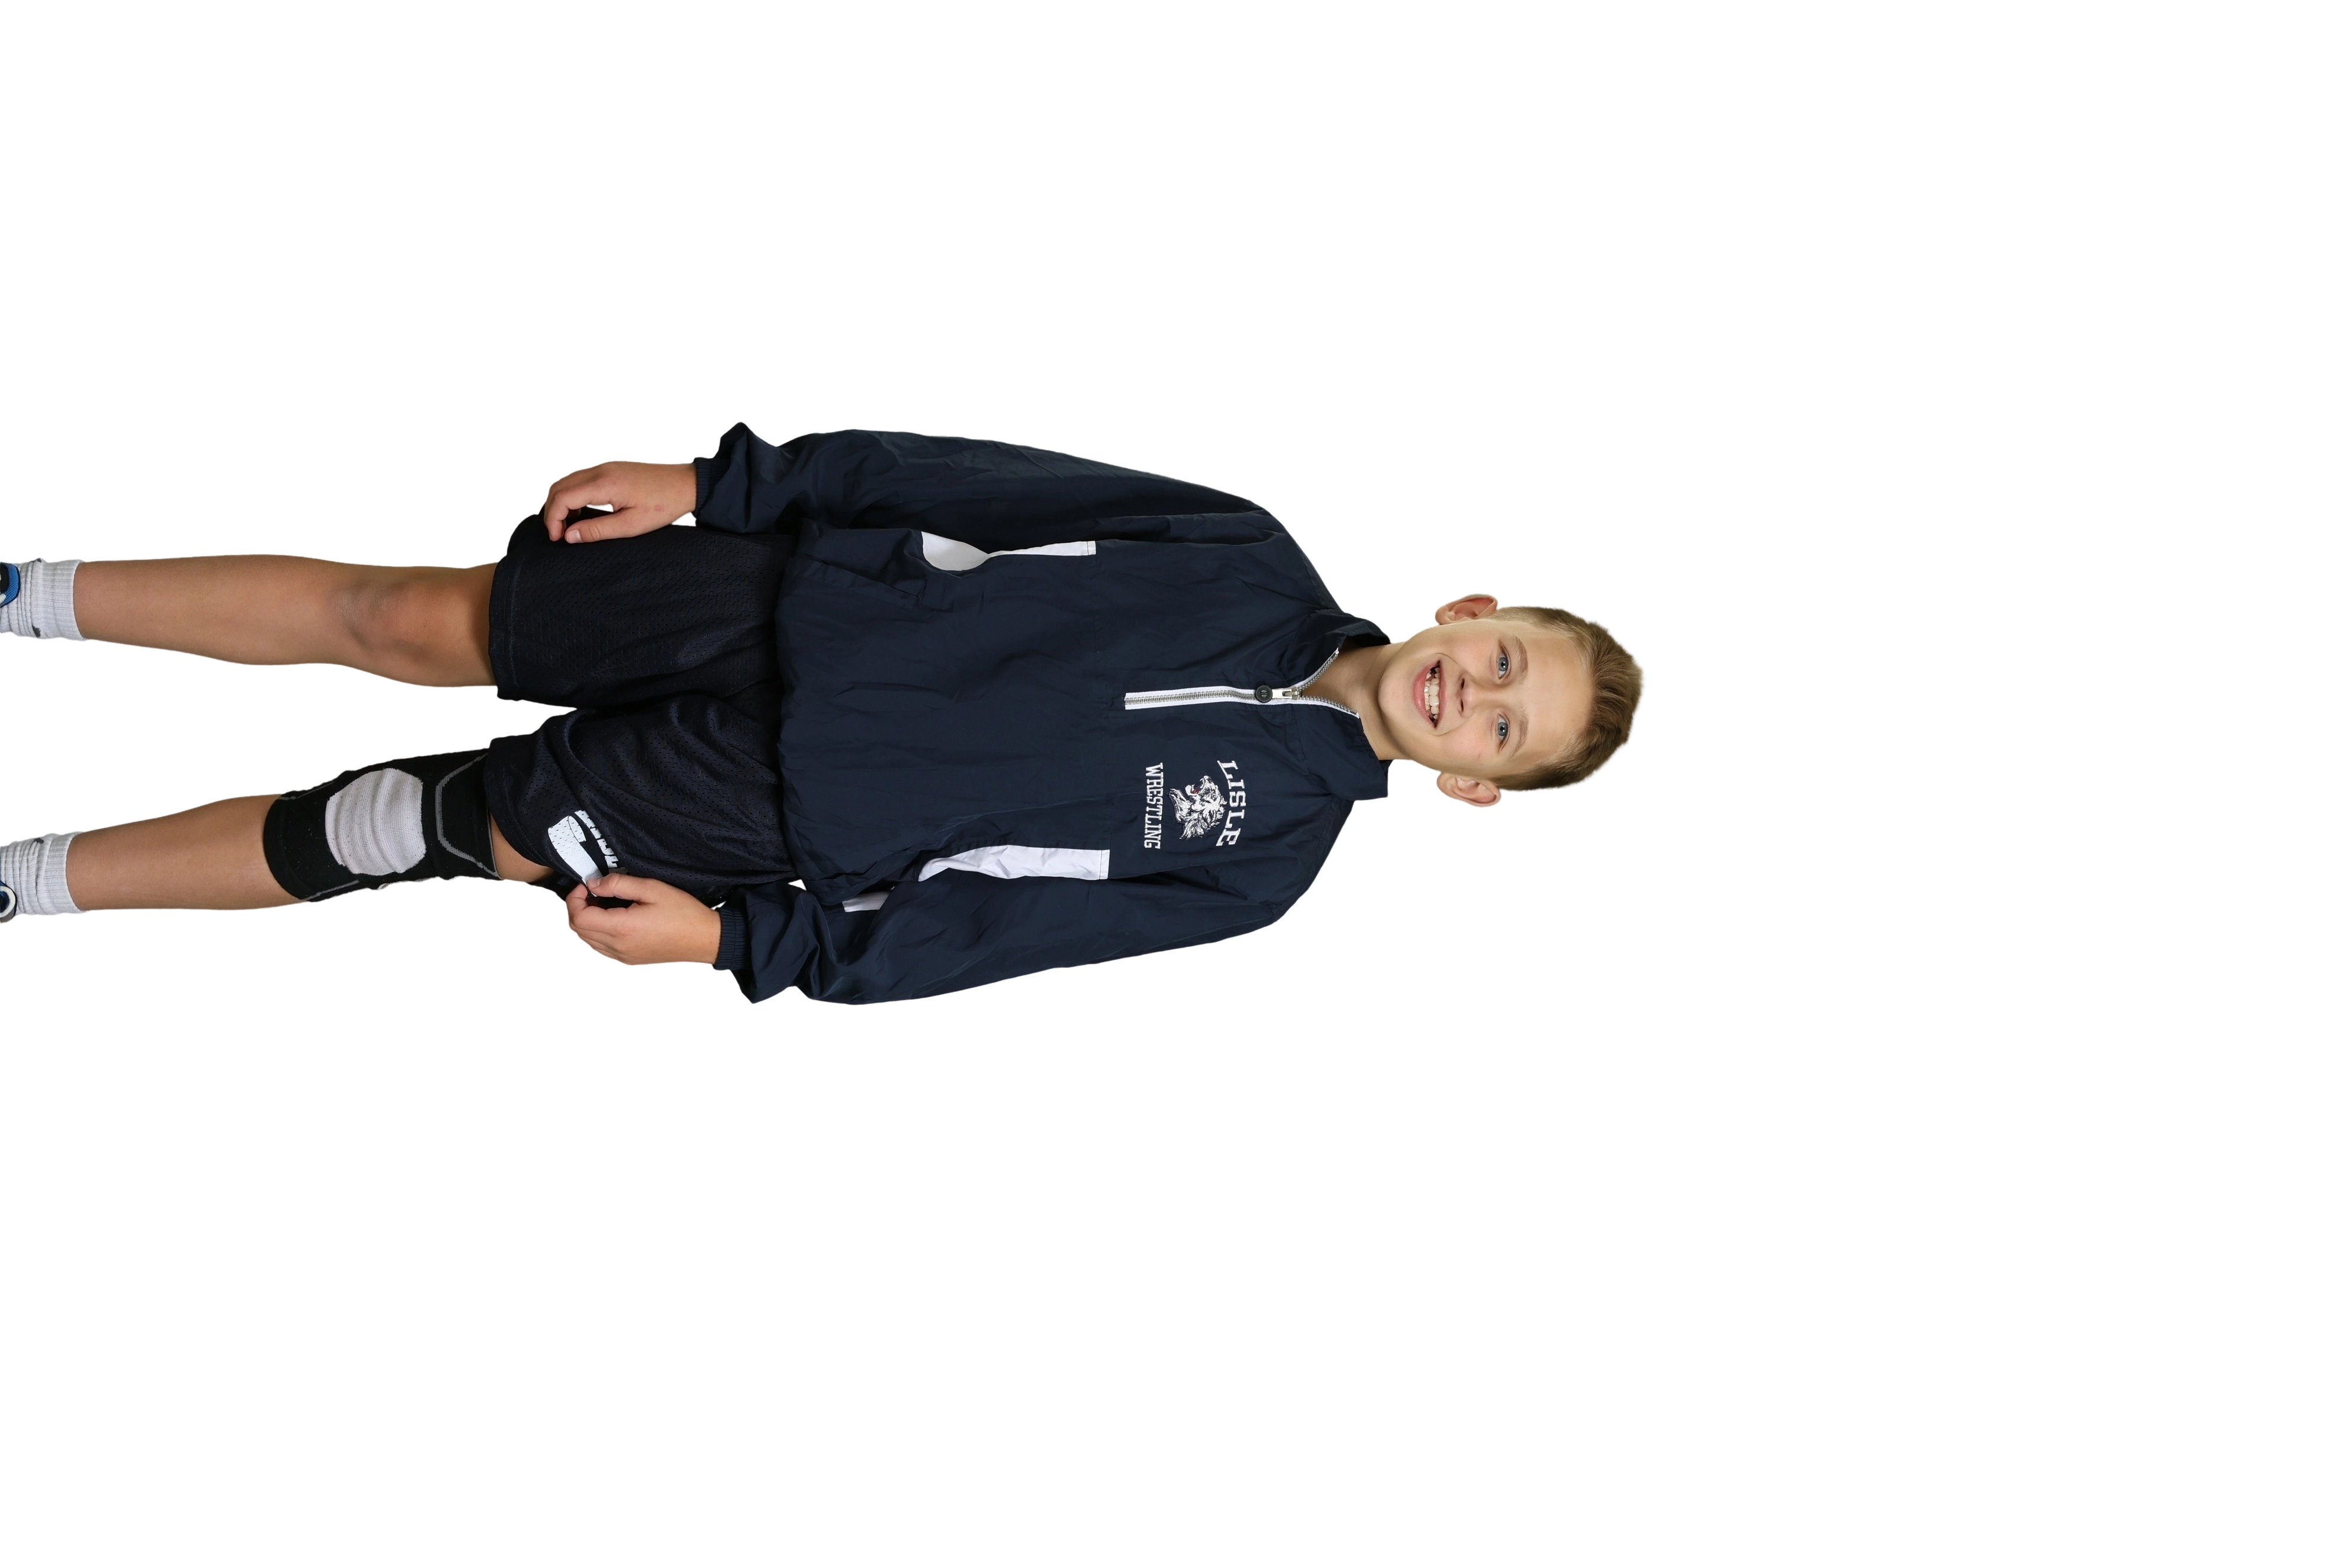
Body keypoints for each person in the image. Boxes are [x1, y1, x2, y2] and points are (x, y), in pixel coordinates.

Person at [0, 423, 1648, 1005]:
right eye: (1509, 660)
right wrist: (732, 483)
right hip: (766, 596)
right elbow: (975, 483)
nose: (1478, 698)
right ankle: (36, 591)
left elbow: (984, 935)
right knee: (401, 618)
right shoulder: (1246, 550)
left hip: (760, 810)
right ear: (1472, 611)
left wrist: (741, 943)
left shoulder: (1263, 864)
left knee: (405, 833)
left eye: (1505, 733)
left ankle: (34, 881)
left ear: (1476, 790)